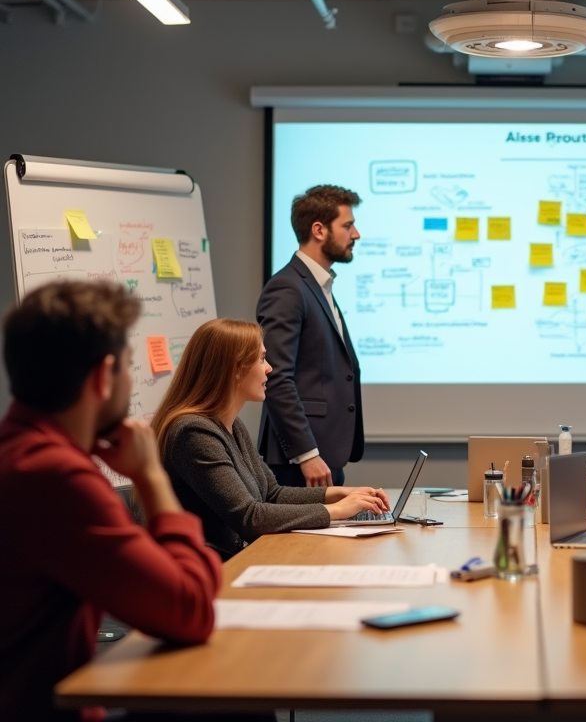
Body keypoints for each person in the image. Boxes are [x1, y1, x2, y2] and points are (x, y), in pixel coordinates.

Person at [0, 281, 221, 721]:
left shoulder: (18, 452)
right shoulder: (58, 478)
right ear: (104, 376)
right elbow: (192, 608)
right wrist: (152, 478)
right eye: (128, 366)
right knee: (225, 704)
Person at [153, 319, 390, 560]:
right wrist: (337, 511)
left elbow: (272, 494)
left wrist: (342, 493)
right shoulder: (194, 433)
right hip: (214, 569)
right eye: (261, 359)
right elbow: (250, 518)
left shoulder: (232, 425)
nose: (270, 368)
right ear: (234, 369)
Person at [258, 184, 365, 488]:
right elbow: (276, 376)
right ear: (319, 230)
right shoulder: (288, 288)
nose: (356, 234)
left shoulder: (318, 286)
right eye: (347, 225)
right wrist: (306, 454)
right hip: (300, 462)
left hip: (326, 455)